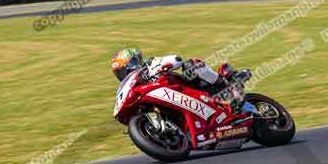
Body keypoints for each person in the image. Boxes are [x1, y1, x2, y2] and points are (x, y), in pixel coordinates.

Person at [110, 47, 258, 115]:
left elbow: (176, 60)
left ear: (135, 61)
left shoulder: (150, 64)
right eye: (120, 72)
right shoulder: (136, 87)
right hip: (179, 103)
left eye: (125, 68)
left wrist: (165, 65)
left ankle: (226, 84)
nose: (125, 73)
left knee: (190, 66)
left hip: (192, 89)